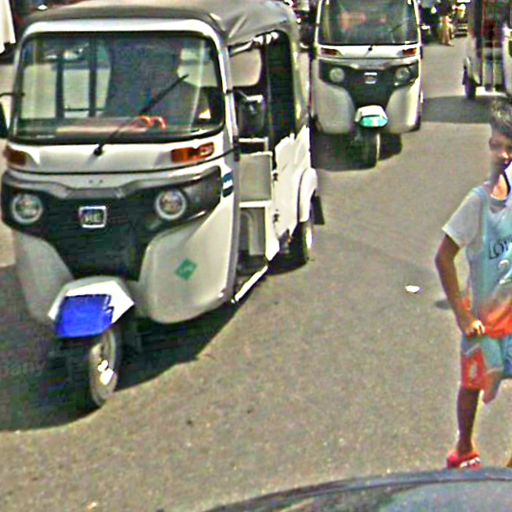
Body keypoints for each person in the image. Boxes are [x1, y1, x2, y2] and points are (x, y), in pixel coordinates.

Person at [435, 98, 512, 469]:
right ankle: (464, 447)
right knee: (472, 385)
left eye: (510, 148)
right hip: (482, 321)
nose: (503, 155)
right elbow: (443, 257)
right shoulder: (477, 203)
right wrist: (463, 316)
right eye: (497, 146)